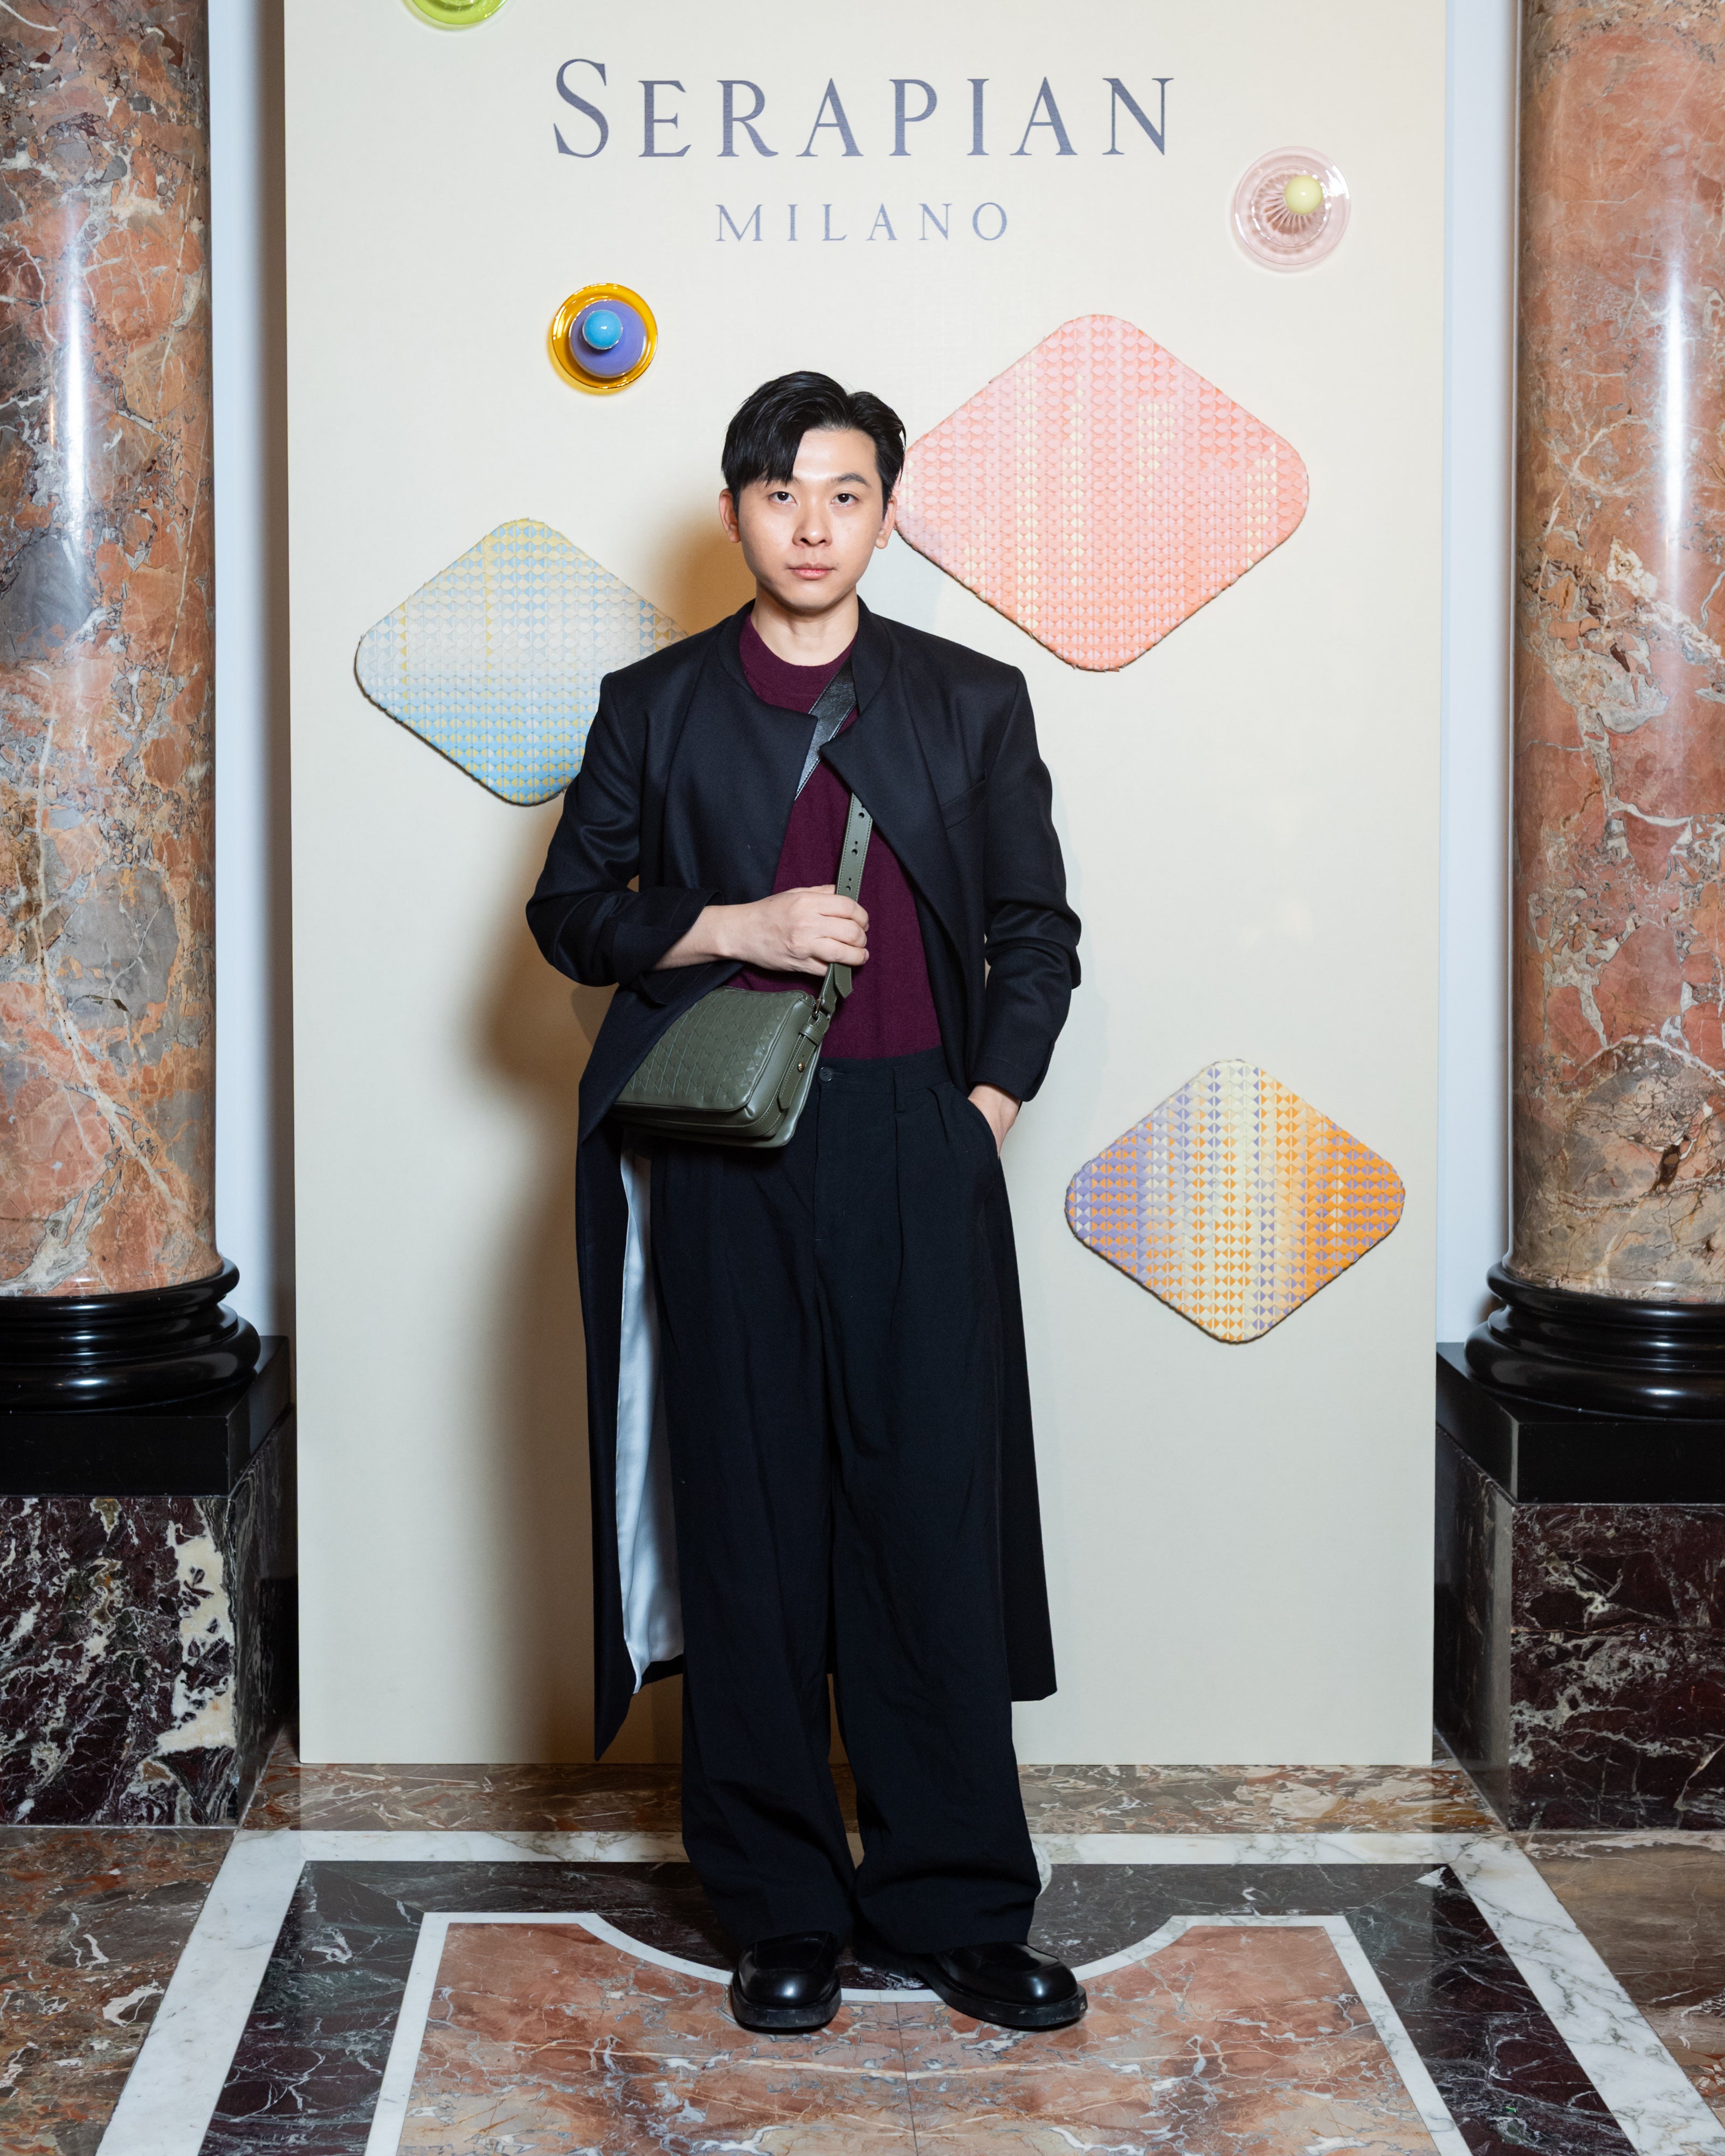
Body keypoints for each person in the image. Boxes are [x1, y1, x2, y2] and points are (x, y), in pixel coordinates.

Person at [527, 371, 1084, 2035]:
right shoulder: (655, 705)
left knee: (929, 1523)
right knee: (750, 1521)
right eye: (781, 495)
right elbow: (572, 914)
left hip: (920, 1138)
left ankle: (957, 1905)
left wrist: (982, 1111)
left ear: (887, 514)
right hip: (725, 1154)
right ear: (735, 514)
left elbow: (1037, 933)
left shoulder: (970, 700)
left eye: (845, 494)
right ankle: (778, 1907)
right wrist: (733, 927)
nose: (813, 525)